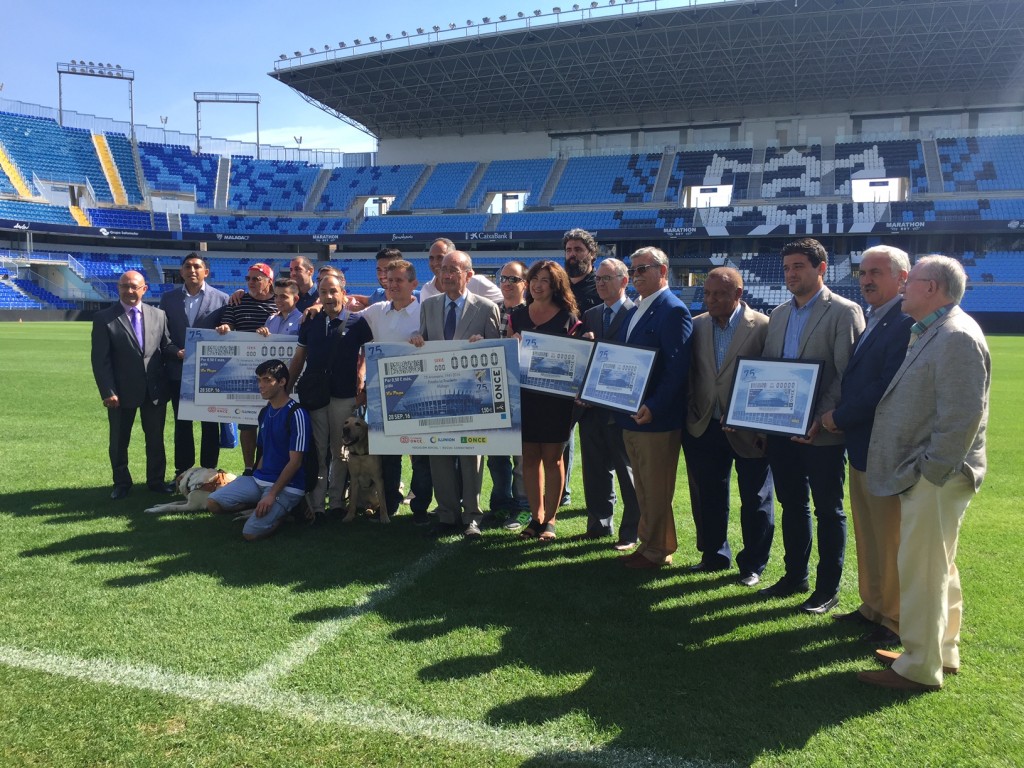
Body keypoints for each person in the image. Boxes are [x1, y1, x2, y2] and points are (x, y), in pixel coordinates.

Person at [859, 255, 990, 692]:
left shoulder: (954, 336)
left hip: (936, 477)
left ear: (931, 287)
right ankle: (940, 651)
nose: (903, 288)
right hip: (932, 474)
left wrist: (930, 473)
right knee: (939, 566)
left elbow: (961, 416)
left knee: (922, 569)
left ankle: (918, 665)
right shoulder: (937, 330)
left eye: (910, 281)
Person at [758, 238, 865, 613]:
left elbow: (846, 374)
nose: (791, 274)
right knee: (791, 505)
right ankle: (794, 576)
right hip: (782, 430)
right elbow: (771, 372)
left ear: (821, 269)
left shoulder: (844, 311)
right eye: (786, 267)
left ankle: (827, 588)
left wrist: (819, 418)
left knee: (828, 510)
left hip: (822, 432)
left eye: (799, 266)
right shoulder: (780, 313)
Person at [821, 246, 913, 644]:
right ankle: (872, 606)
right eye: (862, 272)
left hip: (883, 447)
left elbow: (883, 386)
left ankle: (892, 620)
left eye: (876, 272)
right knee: (869, 533)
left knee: (888, 537)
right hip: (861, 447)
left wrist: (837, 418)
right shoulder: (877, 317)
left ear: (902, 278)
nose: (866, 279)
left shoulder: (906, 320)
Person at [683, 266, 774, 586]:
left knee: (756, 498)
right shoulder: (696, 326)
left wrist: (761, 425)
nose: (711, 299)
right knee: (708, 494)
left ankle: (752, 564)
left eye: (719, 294)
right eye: (706, 293)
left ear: (738, 293)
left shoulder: (763, 326)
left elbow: (771, 376)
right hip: (704, 424)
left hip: (748, 429)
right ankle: (713, 555)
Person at [411, 250, 501, 538]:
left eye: (454, 269)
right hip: (437, 397)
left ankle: (473, 515)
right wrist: (416, 340)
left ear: (469, 275)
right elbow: (424, 340)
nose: (447, 275)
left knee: (470, 456)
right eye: (444, 269)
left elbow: (497, 352)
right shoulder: (429, 305)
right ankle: (447, 513)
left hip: (471, 399)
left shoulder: (486, 307)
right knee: (439, 454)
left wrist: (483, 343)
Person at [616, 247, 693, 570]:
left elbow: (677, 367)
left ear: (663, 271)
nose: (636, 275)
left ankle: (658, 549)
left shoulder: (672, 309)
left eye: (642, 269)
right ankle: (649, 542)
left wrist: (655, 406)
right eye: (633, 270)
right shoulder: (637, 308)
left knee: (657, 488)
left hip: (654, 418)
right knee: (644, 486)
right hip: (631, 414)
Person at [288, 273, 373, 520]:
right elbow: (299, 358)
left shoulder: (358, 322)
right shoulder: (309, 322)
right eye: (323, 292)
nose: (328, 296)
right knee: (317, 451)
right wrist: (285, 391)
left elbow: (370, 355)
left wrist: (364, 386)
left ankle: (336, 502)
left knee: (340, 453)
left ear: (343, 293)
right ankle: (316, 505)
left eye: (333, 291)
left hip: (345, 396)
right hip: (315, 397)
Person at [508, 260, 581, 542]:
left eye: (545, 280)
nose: (538, 285)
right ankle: (535, 517)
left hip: (556, 402)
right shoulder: (517, 317)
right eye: (534, 278)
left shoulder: (569, 319)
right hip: (525, 399)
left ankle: (550, 519)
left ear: (556, 286)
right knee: (529, 459)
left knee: (553, 460)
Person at [357, 258, 432, 524]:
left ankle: (421, 507)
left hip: (419, 396)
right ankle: (388, 505)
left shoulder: (427, 311)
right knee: (388, 456)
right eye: (389, 280)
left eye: (399, 280)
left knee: (421, 456)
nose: (393, 285)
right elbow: (346, 318)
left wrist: (424, 342)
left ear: (413, 283)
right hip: (383, 398)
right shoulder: (376, 311)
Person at [91, 270, 178, 499]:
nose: (129, 291)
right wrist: (108, 391)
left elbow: (165, 345)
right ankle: (121, 483)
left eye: (134, 287)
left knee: (156, 439)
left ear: (144, 289)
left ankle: (156, 481)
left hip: (155, 390)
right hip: (120, 392)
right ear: (118, 288)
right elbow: (100, 360)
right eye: (124, 286)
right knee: (119, 441)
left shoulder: (158, 315)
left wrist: (178, 352)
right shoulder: (104, 318)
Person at [206, 359, 312, 541]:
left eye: (266, 380)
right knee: (212, 503)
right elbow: (263, 453)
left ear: (282, 382)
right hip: (260, 480)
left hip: (288, 486)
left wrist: (271, 494)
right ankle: (261, 507)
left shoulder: (297, 414)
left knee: (250, 534)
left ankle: (284, 512)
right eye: (259, 380)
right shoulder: (265, 412)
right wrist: (255, 478)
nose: (260, 385)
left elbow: (295, 463)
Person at [577, 257, 641, 549]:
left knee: (626, 471)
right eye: (599, 279)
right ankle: (599, 523)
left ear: (624, 281)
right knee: (594, 469)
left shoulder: (637, 313)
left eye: (607, 278)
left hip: (621, 407)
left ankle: (631, 532)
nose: (600, 283)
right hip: (591, 408)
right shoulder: (589, 315)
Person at [158, 252, 229, 478]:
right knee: (183, 424)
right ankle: (183, 472)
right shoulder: (168, 299)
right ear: (181, 272)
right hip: (179, 372)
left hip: (211, 374)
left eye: (197, 266)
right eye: (188, 266)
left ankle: (208, 472)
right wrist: (174, 351)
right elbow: (163, 335)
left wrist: (226, 329)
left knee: (210, 425)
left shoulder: (222, 299)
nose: (192, 270)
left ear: (205, 272)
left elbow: (228, 332)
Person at [215, 262, 277, 475]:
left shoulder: (279, 303)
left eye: (256, 279)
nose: (251, 282)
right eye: (248, 279)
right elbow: (228, 323)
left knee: (271, 423)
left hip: (272, 375)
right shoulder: (237, 301)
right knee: (247, 423)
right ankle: (249, 467)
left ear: (269, 281)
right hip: (243, 371)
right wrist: (226, 328)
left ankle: (268, 466)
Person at [560, 228, 603, 508]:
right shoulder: (559, 285)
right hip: (562, 371)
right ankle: (561, 490)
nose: (572, 254)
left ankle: (599, 503)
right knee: (560, 433)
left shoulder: (599, 284)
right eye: (568, 250)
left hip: (594, 374)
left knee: (596, 444)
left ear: (591, 253)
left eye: (578, 249)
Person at [490, 259, 530, 530]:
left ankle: (524, 506)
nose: (506, 283)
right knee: (496, 453)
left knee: (522, 457)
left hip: (523, 393)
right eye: (503, 278)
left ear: (525, 284)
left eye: (513, 279)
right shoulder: (491, 311)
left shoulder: (532, 313)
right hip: (494, 391)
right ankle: (501, 501)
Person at [419, 237, 503, 303]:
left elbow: (505, 301)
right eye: (431, 258)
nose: (435, 263)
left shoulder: (477, 282)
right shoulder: (426, 290)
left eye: (440, 257)